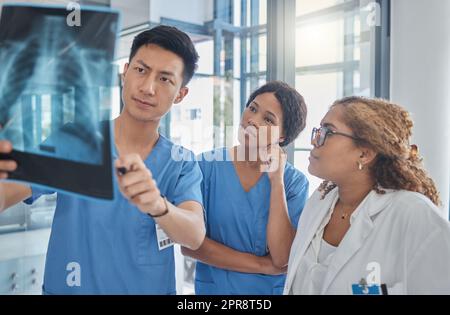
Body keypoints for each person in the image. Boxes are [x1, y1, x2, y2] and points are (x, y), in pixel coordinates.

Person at [0, 25, 206, 294]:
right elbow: (7, 193)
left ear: (180, 94)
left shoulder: (180, 162)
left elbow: (194, 234)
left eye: (165, 79)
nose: (147, 87)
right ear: (125, 72)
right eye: (141, 70)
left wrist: (158, 205)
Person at [284, 96, 450, 295]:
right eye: (319, 131)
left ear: (365, 154)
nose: (314, 140)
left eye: (328, 132)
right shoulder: (318, 202)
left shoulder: (414, 214)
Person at [182, 81, 309, 295]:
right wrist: (262, 265)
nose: (252, 121)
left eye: (268, 119)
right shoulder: (206, 166)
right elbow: (190, 243)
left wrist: (276, 181)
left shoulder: (293, 183)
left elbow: (282, 258)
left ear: (282, 137)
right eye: (252, 108)